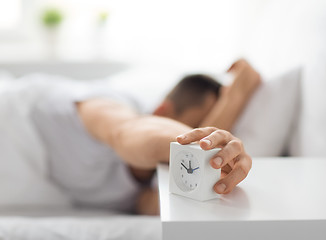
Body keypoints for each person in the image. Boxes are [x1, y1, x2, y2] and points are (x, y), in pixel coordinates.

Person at [30, 59, 261, 215]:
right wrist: (211, 143)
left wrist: (236, 97)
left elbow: (159, 206)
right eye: (195, 126)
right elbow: (126, 132)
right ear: (162, 112)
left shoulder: (142, 186)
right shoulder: (107, 105)